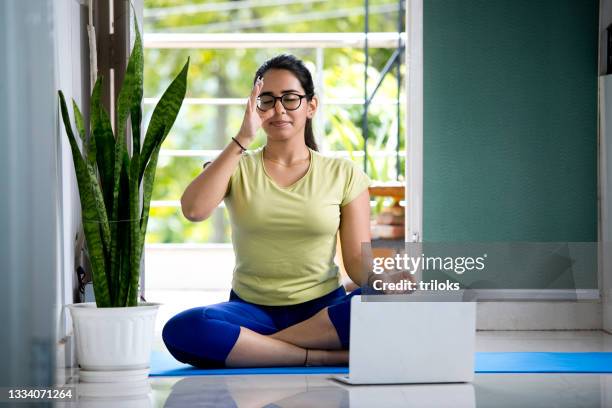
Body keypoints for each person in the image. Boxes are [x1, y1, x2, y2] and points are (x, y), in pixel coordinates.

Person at [162, 54, 371, 368]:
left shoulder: (344, 173)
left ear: (311, 106)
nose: (278, 109)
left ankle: (256, 349)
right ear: (254, 107)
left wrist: (388, 281)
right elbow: (193, 210)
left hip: (322, 313)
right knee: (183, 329)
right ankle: (317, 356)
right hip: (251, 313)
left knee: (387, 302)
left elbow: (356, 264)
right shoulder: (237, 166)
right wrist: (244, 137)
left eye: (290, 98)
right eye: (267, 100)